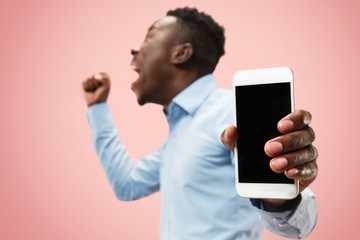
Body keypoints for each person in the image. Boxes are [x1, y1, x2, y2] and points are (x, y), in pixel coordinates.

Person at [82, 7, 318, 240]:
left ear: (181, 53)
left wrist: (281, 198)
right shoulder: (177, 136)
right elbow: (127, 185)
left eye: (149, 37)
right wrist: (97, 108)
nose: (135, 49)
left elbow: (297, 225)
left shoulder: (231, 111)